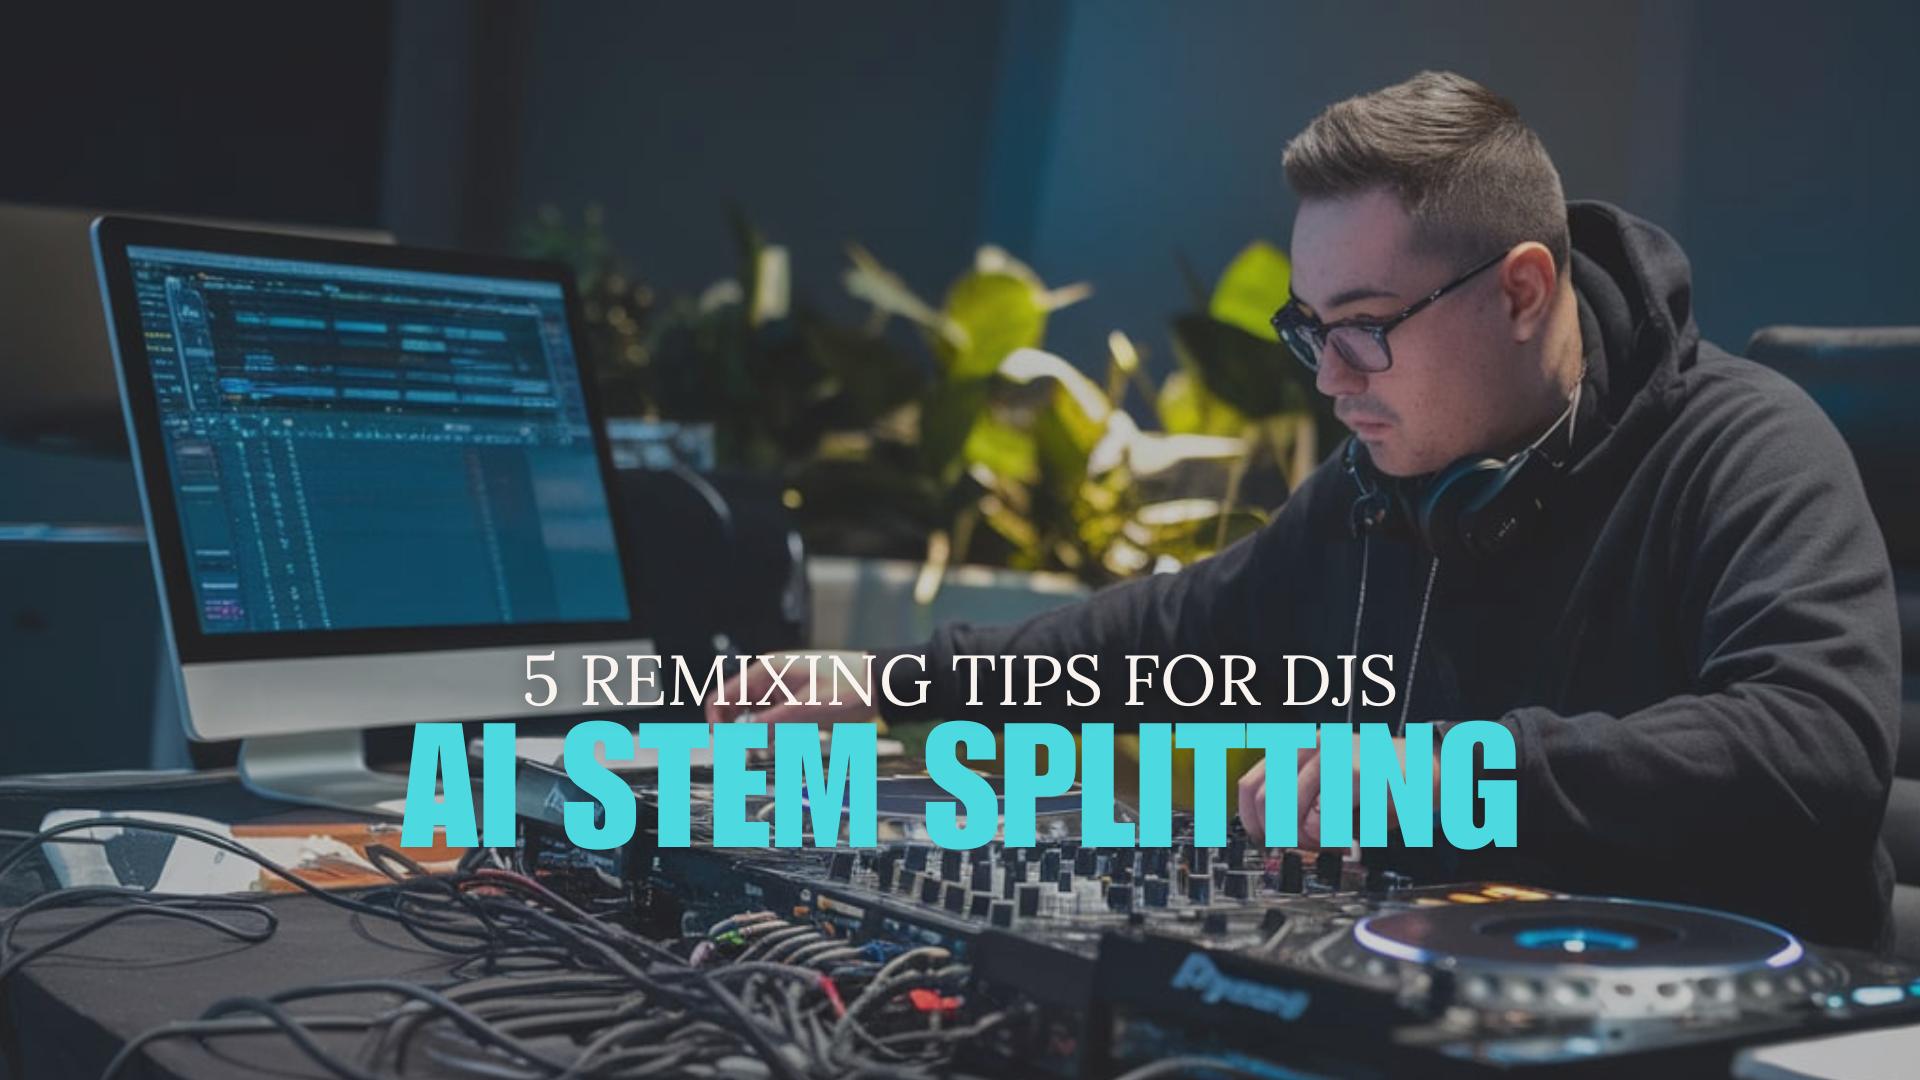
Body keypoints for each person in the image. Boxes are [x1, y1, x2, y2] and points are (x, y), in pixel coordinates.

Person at [707, 71, 1900, 949]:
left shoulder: (1745, 447)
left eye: (1365, 326)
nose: (1330, 378)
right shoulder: (1386, 487)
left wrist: (1443, 772)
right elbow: (1171, 634)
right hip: (1441, 975)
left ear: (1522, 292)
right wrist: (889, 681)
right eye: (1311, 329)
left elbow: (1816, 746)